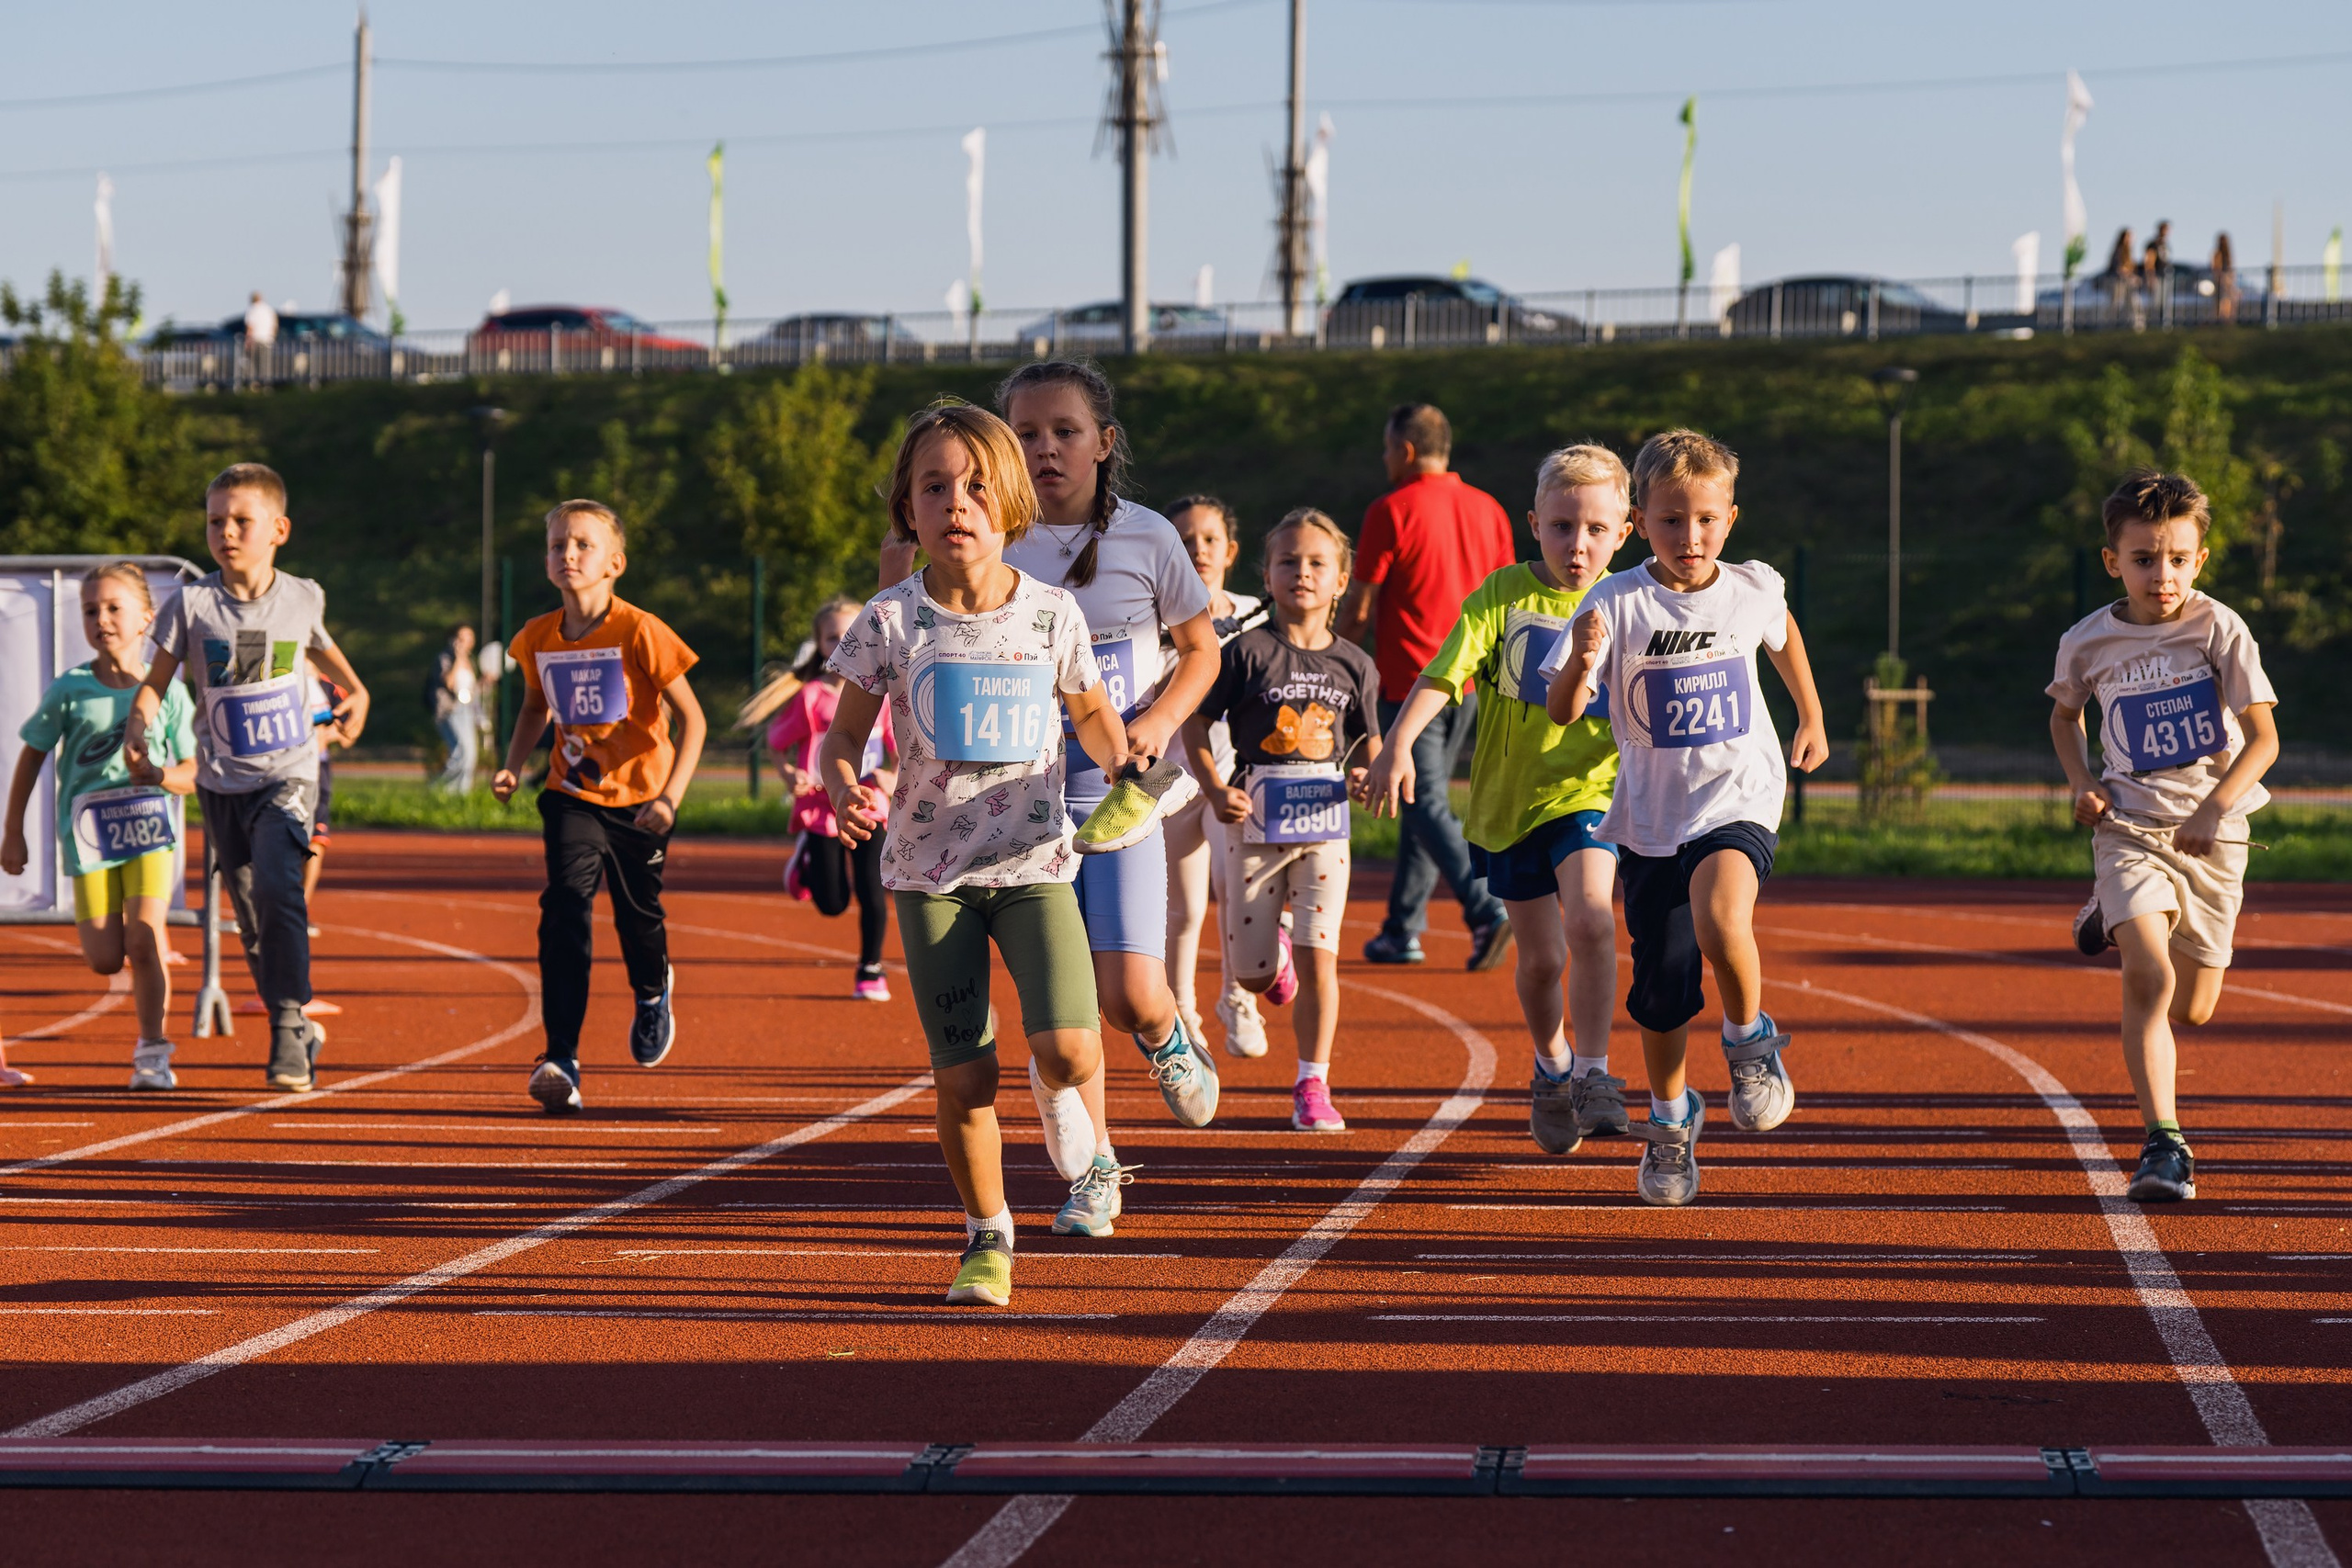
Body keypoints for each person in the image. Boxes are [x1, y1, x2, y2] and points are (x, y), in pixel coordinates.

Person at [821, 400, 1131, 1302]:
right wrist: (847, 784)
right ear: (906, 512)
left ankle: (1080, 1122)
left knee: (1070, 1053)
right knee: (964, 1074)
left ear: (1011, 508)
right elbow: (842, 741)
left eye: (977, 486)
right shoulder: (888, 622)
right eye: (934, 486)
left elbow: (1094, 719)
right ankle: (986, 1236)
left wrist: (1127, 767)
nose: (957, 501)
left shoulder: (1051, 616)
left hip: (1032, 863)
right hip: (929, 877)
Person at [885, 361, 1226, 1150]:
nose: (1046, 449)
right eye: (1026, 434)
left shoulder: (1148, 535)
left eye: (1064, 432)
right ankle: (1097, 1161)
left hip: (1115, 787)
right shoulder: (982, 533)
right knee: (1063, 1004)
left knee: (1131, 996)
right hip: (1016, 800)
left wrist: (1160, 720)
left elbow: (1200, 650)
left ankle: (1169, 1034)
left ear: (1104, 442)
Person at [1541, 430, 1827, 1208]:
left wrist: (1811, 712)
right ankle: (1672, 1121)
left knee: (1721, 913)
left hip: (1738, 796)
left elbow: (1785, 633)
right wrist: (1579, 658)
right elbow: (1564, 709)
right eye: (1671, 521)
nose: (1690, 537)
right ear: (1640, 521)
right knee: (1662, 989)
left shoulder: (1752, 586)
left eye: (1705, 519)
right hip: (1651, 818)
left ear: (1730, 519)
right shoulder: (1614, 600)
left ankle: (1748, 1041)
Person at [1366, 445, 1634, 1156]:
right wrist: (1397, 745)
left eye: (1597, 530)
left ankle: (1596, 1073)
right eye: (1561, 527)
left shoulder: (1633, 600)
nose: (1578, 546)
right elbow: (1441, 674)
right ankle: (1551, 1068)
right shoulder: (1501, 597)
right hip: (1510, 805)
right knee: (1541, 960)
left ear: (1625, 530)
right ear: (1534, 524)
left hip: (1591, 796)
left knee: (1593, 921)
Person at [2050, 472, 2278, 1204]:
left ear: (2200, 560)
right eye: (2145, 558)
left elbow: (2266, 739)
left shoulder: (2219, 628)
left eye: (2179, 558)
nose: (2164, 574)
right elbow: (2064, 717)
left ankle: (2104, 920)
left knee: (2195, 1007)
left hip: (2214, 837)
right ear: (2113, 560)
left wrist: (2216, 807)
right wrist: (2080, 780)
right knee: (2149, 973)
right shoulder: (2087, 641)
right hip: (2130, 829)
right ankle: (2163, 1142)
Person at [126, 464, 370, 1093]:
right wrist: (139, 724)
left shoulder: (302, 596)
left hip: (289, 772)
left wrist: (359, 693)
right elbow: (155, 683)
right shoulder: (192, 603)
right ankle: (296, 1019)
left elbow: (325, 653)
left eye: (241, 521)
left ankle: (289, 1021)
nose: (225, 532)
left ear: (278, 529)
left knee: (280, 887)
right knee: (251, 918)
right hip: (220, 783)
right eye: (215, 521)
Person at [494, 499, 707, 1114]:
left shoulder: (640, 630)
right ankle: (560, 1055)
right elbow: (536, 707)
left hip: (643, 800)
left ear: (615, 562)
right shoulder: (538, 636)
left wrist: (671, 797)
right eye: (559, 544)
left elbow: (694, 720)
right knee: (564, 905)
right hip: (571, 793)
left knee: (638, 917)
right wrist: (512, 762)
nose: (568, 554)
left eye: (583, 544)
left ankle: (651, 989)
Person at [1184, 508, 1380, 1132]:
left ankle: (1312, 1083)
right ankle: (1275, 965)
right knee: (1251, 972)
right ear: (1265, 575)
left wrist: (1368, 777)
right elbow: (1193, 724)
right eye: (1288, 561)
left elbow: (1366, 744)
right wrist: (1215, 788)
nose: (1302, 573)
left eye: (1317, 563)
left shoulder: (1356, 664)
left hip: (1324, 831)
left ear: (1341, 578)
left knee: (1324, 958)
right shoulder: (1243, 653)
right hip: (1253, 828)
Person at [3, 564, 198, 1090]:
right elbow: (32, 756)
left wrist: (158, 775)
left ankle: (153, 1051)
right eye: (91, 609)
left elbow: (193, 771)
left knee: (143, 940)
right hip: (90, 840)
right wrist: (13, 829)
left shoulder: (168, 692)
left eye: (114, 608)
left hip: (149, 836)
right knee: (104, 958)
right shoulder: (71, 688)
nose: (102, 619)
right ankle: (150, 1035)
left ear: (146, 619)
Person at [1336, 401, 1513, 972]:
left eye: (1388, 450)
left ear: (1406, 451)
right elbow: (1509, 598)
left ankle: (1487, 910)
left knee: (1422, 798)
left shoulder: (1392, 508)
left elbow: (1359, 604)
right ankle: (1401, 929)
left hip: (1411, 685)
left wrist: (1330, 656)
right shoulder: (1489, 509)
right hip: (1473, 683)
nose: (1385, 460)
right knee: (1416, 802)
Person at [1159, 495, 1268, 1059]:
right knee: (1183, 911)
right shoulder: (1153, 615)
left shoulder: (1256, 611)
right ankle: (1182, 1014)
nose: (1197, 548)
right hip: (1171, 782)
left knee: (1241, 893)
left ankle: (1237, 998)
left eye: (1209, 538)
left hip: (1234, 780)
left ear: (1230, 550)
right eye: (1184, 538)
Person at [767, 594, 898, 1000]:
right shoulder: (811, 697)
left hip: (869, 803)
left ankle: (870, 968)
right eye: (830, 637)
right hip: (822, 809)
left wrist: (892, 777)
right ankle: (807, 862)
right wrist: (792, 776)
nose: (841, 642)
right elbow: (777, 744)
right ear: (820, 645)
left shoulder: (885, 694)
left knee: (872, 890)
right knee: (833, 903)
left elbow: (902, 747)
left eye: (849, 633)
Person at [433, 626, 481, 793]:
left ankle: (462, 795)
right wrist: (458, 658)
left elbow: (472, 689)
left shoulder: (471, 660)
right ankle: (440, 789)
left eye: (469, 637)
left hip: (468, 710)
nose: (465, 642)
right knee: (461, 751)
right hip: (452, 710)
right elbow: (450, 683)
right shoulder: (445, 658)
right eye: (461, 638)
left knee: (471, 755)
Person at [243, 292, 277, 389]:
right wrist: (272, 337)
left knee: (253, 363)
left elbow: (250, 326)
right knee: (266, 362)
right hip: (267, 339)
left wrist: (248, 340)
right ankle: (267, 384)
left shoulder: (253, 309)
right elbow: (274, 325)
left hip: (256, 339)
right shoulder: (269, 309)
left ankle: (254, 384)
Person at [2211, 232, 2239, 325]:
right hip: (2221, 279)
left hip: (2228, 279)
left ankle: (2228, 318)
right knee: (2221, 299)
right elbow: (2214, 266)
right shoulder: (2217, 253)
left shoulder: (2228, 254)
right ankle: (2221, 318)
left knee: (2228, 299)